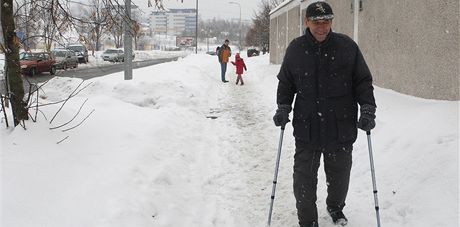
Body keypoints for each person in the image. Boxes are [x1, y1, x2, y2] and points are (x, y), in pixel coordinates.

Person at [272, 1, 376, 227]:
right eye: (317, 22)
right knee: (303, 181)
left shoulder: (347, 47)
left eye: (326, 21)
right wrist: (283, 107)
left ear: (331, 22)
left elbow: (362, 81)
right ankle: (308, 221)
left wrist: (368, 109)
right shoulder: (296, 49)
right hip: (306, 128)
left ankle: (335, 207)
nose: (322, 26)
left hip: (340, 127)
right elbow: (286, 83)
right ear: (306, 22)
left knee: (339, 179)